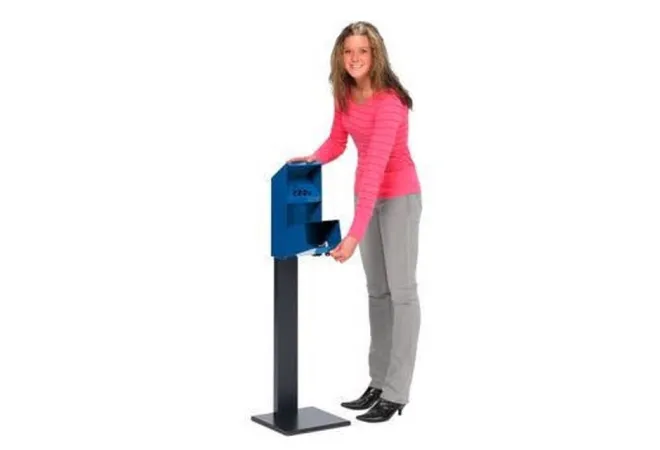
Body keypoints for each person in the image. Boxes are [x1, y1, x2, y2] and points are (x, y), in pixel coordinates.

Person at [289, 21, 422, 423]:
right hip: (367, 195)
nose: (355, 58)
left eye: (362, 50)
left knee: (401, 293)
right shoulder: (345, 93)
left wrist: (352, 235)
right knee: (376, 292)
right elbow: (338, 140)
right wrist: (312, 159)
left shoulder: (390, 102)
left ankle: (396, 392)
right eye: (348, 51)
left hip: (398, 197)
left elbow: (377, 166)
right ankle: (378, 383)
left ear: (375, 54)